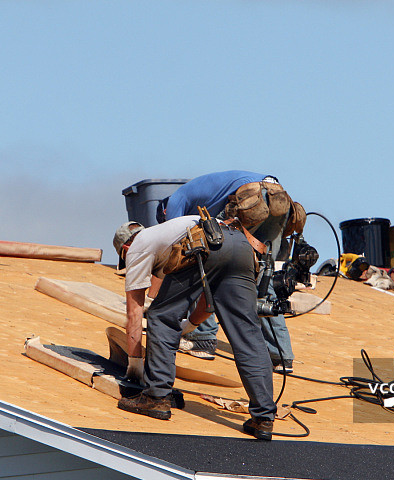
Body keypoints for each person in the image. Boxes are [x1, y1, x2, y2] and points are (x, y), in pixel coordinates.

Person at [112, 216, 277, 440]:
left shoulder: (138, 246)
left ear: (125, 248)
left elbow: (134, 313)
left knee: (161, 316)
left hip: (202, 241)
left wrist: (135, 367)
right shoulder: (166, 235)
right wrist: (190, 325)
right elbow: (209, 299)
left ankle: (156, 397)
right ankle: (263, 418)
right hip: (240, 244)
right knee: (247, 333)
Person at [163, 170, 296, 372]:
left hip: (253, 196)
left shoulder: (174, 201)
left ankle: (202, 338)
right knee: (262, 277)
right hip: (278, 196)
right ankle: (280, 355)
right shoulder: (203, 197)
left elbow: (173, 240)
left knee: (203, 261)